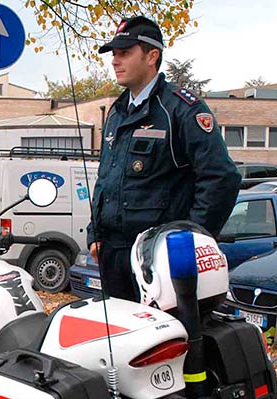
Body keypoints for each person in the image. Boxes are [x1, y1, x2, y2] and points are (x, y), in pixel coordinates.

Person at [87, 16, 241, 300]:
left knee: (165, 342)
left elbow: (222, 178)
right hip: (114, 255)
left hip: (159, 260)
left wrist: (190, 242)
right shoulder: (117, 111)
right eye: (114, 54)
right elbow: (106, 179)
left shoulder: (180, 110)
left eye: (125, 53)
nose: (115, 61)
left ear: (152, 56)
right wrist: (94, 233)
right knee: (118, 339)